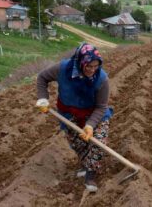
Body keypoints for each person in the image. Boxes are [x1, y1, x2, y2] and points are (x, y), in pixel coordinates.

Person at [36, 43, 112, 192]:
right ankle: (85, 165)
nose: (92, 70)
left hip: (93, 113)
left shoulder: (101, 79)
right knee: (78, 143)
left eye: (96, 66)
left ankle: (91, 174)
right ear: (80, 61)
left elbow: (101, 106)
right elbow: (42, 78)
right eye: (88, 66)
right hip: (69, 112)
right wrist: (43, 98)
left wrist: (90, 125)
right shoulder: (63, 69)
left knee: (98, 142)